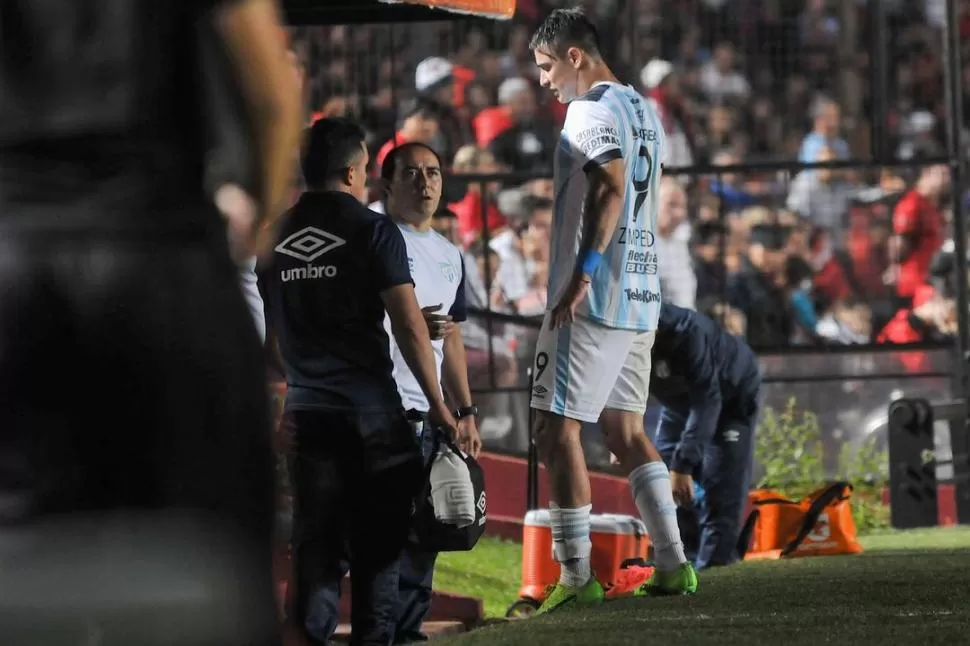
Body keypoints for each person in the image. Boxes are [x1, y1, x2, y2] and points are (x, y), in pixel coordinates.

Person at [0, 2, 302, 645]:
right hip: (164, 259)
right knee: (213, 569)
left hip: (16, 266)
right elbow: (272, 93)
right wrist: (261, 210)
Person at [262, 117, 460, 646]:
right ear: (353, 171)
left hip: (307, 417)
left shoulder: (274, 236)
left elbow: (273, 350)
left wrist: (306, 382)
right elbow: (409, 325)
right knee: (379, 551)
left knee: (316, 551)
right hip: (372, 415)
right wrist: (441, 405)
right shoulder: (373, 230)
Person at [526, 8, 696, 615]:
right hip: (641, 295)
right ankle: (675, 566)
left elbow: (610, 186)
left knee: (553, 427)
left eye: (547, 67)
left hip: (593, 300)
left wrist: (581, 277)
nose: (544, 81)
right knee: (626, 433)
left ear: (574, 57)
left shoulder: (589, 109)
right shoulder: (643, 109)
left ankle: (574, 576)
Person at [380, 142, 483, 643]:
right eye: (413, 173)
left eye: (433, 173)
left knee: (429, 528)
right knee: (384, 534)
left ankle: (408, 632)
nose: (425, 183)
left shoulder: (448, 253)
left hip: (432, 415)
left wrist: (465, 411)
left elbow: (455, 335)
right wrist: (409, 326)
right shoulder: (375, 240)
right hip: (382, 407)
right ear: (387, 184)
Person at [650, 303, 762, 570]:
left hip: (731, 400)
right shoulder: (618, 332)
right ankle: (679, 564)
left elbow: (707, 402)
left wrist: (683, 464)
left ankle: (715, 568)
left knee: (719, 490)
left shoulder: (688, 334)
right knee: (661, 483)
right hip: (679, 403)